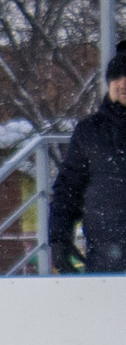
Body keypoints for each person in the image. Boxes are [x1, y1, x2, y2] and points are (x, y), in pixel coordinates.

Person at [51, 49, 126, 275]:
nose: (122, 84)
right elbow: (68, 188)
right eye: (116, 77)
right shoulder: (89, 131)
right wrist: (59, 238)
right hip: (106, 265)